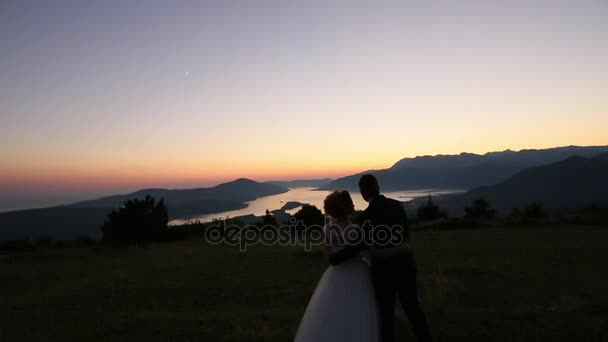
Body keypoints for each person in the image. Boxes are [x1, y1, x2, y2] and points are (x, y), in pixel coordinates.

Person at [330, 174, 432, 342]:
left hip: (384, 273)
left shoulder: (367, 217)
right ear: (378, 187)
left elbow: (359, 245)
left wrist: (336, 258)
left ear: (363, 193)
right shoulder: (397, 206)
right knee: (413, 310)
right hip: (406, 266)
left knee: (386, 315)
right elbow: (405, 236)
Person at [294, 190, 380, 342]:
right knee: (360, 308)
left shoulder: (327, 229)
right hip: (358, 271)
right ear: (348, 208)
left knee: (333, 310)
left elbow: (329, 255)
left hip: (336, 274)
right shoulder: (356, 230)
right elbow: (367, 250)